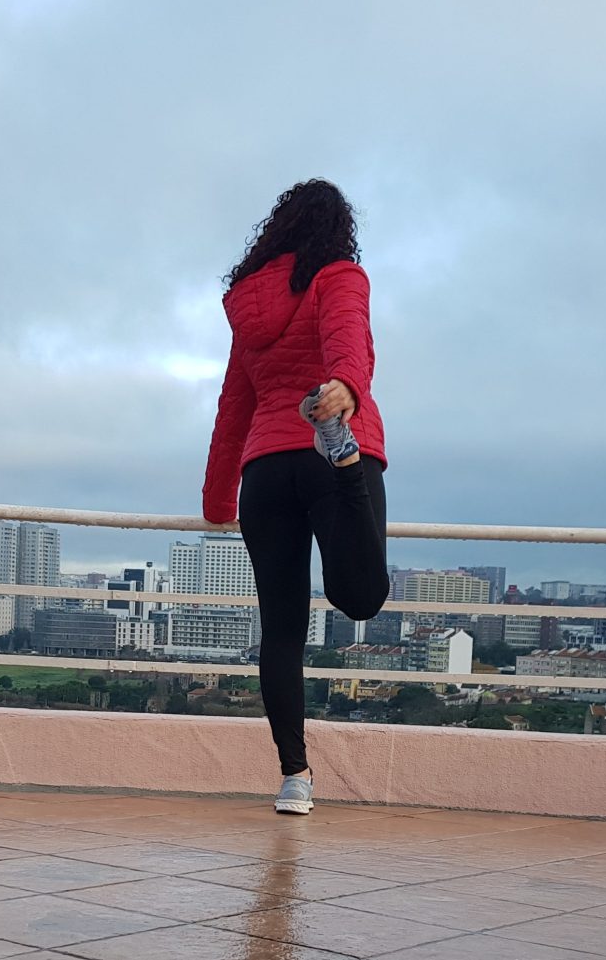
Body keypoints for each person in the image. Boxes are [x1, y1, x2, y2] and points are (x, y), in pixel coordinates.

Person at [202, 179, 389, 815]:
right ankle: (344, 459)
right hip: (326, 447)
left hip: (264, 473)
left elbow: (234, 406)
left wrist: (218, 500)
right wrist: (346, 387)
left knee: (282, 630)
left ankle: (295, 778)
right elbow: (348, 338)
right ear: (339, 229)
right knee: (360, 598)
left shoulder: (248, 308)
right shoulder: (339, 275)